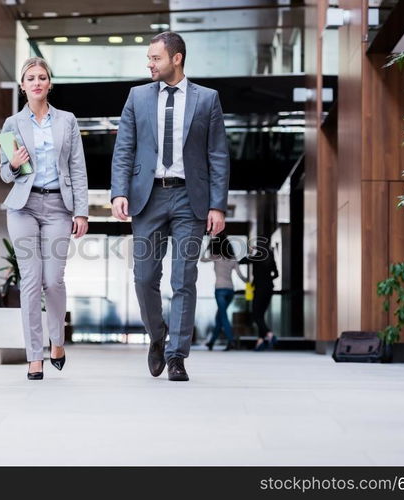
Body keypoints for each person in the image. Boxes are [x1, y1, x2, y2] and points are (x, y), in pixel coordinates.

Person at [111, 32, 230, 381]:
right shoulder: (137, 97)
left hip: (190, 199)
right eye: (149, 58)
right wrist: (120, 191)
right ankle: (158, 335)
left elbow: (218, 155)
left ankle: (177, 356)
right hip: (148, 198)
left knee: (184, 279)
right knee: (145, 276)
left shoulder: (207, 100)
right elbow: (124, 150)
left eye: (155, 58)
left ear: (176, 59)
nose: (149, 64)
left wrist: (218, 206)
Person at [0, 57, 89, 380]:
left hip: (58, 208)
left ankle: (57, 342)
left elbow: (77, 168)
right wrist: (13, 163)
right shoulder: (12, 125)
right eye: (30, 78)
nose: (37, 82)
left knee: (53, 280)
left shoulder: (67, 121)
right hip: (23, 206)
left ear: (50, 83)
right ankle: (34, 357)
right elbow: (5, 174)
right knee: (30, 281)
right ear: (23, 86)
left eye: (42, 77)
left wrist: (81, 210)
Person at [200, 232, 240, 351]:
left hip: (220, 290)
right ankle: (211, 342)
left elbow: (202, 259)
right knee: (219, 317)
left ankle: (231, 340)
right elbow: (240, 275)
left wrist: (208, 246)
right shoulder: (232, 259)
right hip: (231, 290)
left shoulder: (215, 256)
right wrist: (249, 282)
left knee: (223, 316)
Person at [239, 244, 279, 351]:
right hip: (269, 289)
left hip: (259, 290)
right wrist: (267, 278)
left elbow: (242, 261)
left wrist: (251, 251)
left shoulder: (256, 257)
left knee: (256, 315)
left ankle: (270, 335)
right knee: (260, 315)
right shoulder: (271, 258)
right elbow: (276, 274)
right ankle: (260, 342)